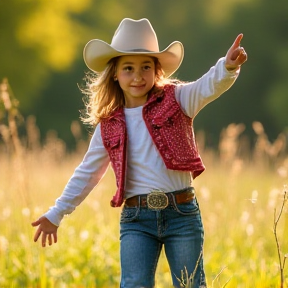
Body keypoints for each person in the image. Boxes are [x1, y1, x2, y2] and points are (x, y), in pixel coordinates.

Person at [32, 18, 247, 288]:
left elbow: (207, 86)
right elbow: (87, 173)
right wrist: (56, 213)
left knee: (190, 284)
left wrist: (226, 66)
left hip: (181, 214)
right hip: (136, 219)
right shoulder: (108, 125)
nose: (137, 76)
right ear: (114, 73)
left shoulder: (178, 100)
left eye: (146, 67)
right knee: (134, 284)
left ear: (156, 70)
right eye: (128, 68)